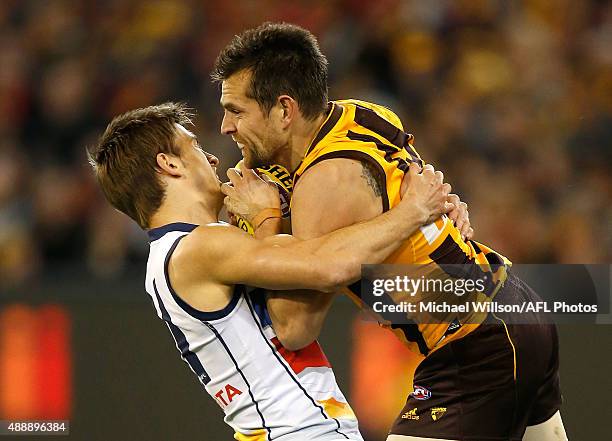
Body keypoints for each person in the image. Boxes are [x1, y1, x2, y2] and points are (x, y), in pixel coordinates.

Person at [212, 22, 567, 441]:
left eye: (236, 110)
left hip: (473, 344)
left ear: (285, 110)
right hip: (511, 308)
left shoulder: (325, 182)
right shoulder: (361, 113)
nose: (225, 127)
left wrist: (265, 221)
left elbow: (295, 327)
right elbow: (413, 198)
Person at [88, 102, 456, 441]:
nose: (214, 158)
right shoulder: (198, 248)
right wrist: (414, 211)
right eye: (196, 147)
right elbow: (327, 266)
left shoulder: (181, 252)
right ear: (170, 164)